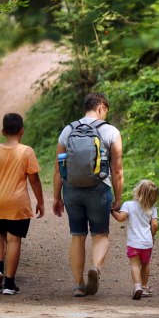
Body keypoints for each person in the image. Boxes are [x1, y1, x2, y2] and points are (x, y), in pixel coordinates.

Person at [53, 93, 124, 297]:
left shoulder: (68, 130)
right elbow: (117, 170)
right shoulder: (111, 131)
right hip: (99, 189)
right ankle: (96, 268)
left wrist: (57, 197)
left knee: (77, 236)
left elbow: (58, 168)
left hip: (72, 190)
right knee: (100, 234)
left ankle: (78, 284)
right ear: (101, 107)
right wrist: (117, 198)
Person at [0, 113, 45, 295]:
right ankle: (9, 283)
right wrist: (40, 202)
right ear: (22, 131)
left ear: (2, 132)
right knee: (14, 240)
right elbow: (35, 180)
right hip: (18, 204)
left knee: (0, 235)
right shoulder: (26, 151)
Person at [111, 179, 159, 300]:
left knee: (134, 265)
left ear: (138, 191)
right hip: (147, 243)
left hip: (133, 243)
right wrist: (152, 236)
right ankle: (144, 286)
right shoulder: (153, 209)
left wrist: (111, 211)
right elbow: (154, 225)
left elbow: (120, 218)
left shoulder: (128, 205)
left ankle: (137, 286)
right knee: (145, 264)